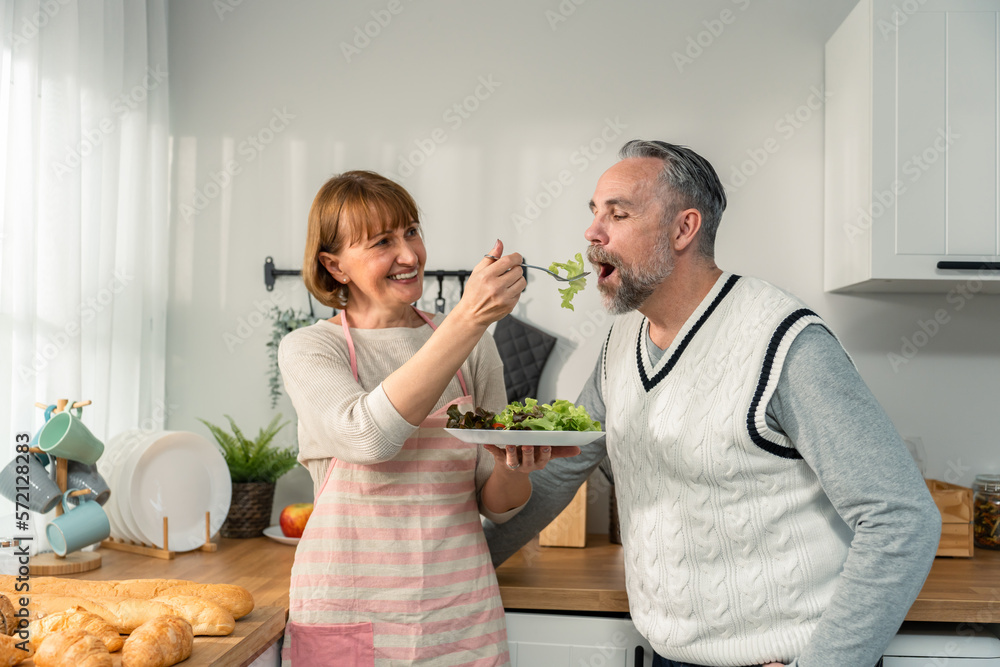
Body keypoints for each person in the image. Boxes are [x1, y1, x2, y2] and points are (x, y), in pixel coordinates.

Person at [483, 141, 942, 667]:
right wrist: (461, 567)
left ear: (684, 229)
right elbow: (561, 474)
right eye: (593, 213)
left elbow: (901, 516)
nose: (592, 231)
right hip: (671, 656)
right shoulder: (619, 346)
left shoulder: (784, 341)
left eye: (619, 213)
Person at [278, 170, 578, 666]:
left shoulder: (476, 348)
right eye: (382, 242)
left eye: (412, 232)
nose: (410, 255)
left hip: (456, 612)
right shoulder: (312, 349)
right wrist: (468, 318)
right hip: (347, 607)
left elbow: (498, 505)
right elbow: (367, 437)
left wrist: (513, 466)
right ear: (335, 266)